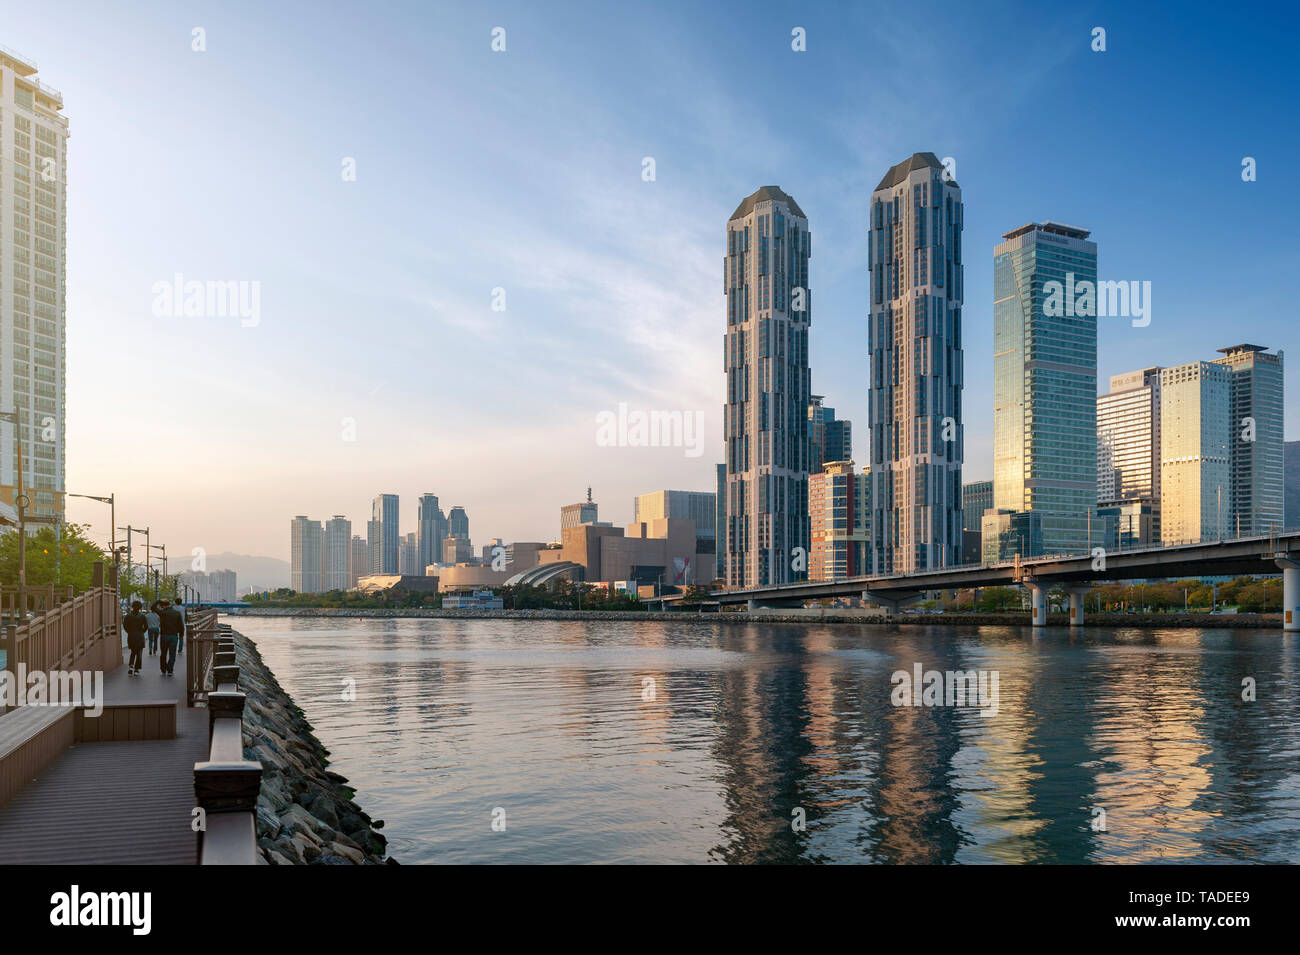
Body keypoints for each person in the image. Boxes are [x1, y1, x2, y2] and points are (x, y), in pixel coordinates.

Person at [156, 597, 185, 677]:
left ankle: (163, 669)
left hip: (164, 636)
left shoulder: (162, 613)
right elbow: (180, 625)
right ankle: (170, 670)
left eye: (162, 606)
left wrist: (159, 600)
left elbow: (153, 607)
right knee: (172, 654)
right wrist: (181, 634)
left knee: (163, 654)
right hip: (174, 636)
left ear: (164, 606)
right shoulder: (177, 613)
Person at [123, 600, 148, 676]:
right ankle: (136, 669)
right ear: (140, 607)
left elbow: (125, 625)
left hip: (131, 635)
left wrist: (129, 632)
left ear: (132, 606)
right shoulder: (142, 616)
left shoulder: (128, 616)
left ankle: (131, 667)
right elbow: (146, 626)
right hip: (139, 636)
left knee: (133, 652)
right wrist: (142, 632)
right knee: (139, 653)